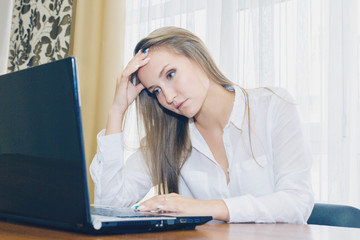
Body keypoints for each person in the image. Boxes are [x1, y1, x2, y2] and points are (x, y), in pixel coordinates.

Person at [90, 26, 314, 223]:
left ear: (196, 56)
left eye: (170, 74)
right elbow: (110, 204)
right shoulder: (165, 139)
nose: (167, 97)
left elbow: (297, 201)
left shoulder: (272, 106)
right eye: (155, 91)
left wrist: (206, 208)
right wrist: (117, 111)